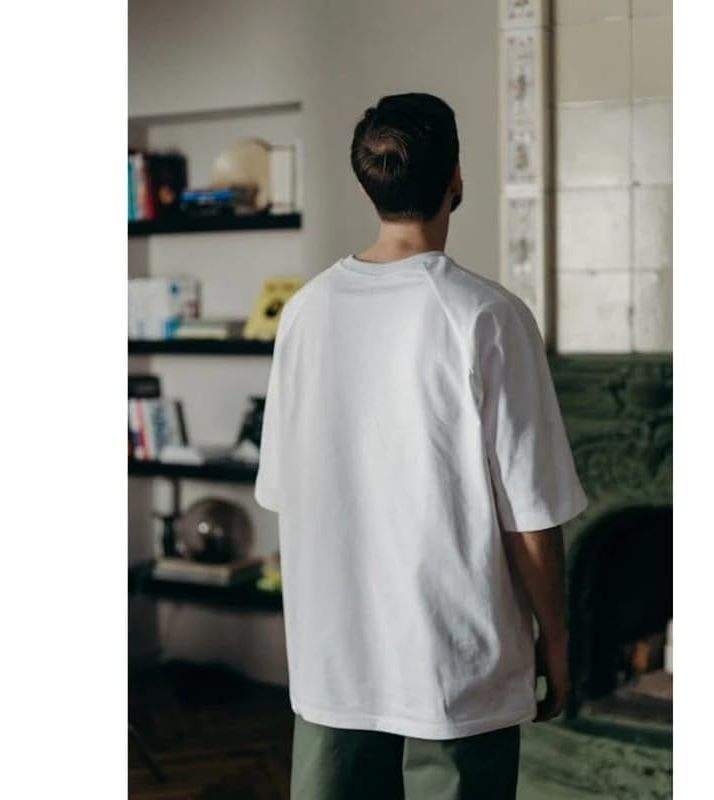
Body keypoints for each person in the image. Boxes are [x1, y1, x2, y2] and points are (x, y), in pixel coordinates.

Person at [256, 92, 587, 799]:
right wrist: (556, 640)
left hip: (334, 666)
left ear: (368, 183)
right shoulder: (488, 316)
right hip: (458, 670)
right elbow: (530, 515)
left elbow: (286, 492)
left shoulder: (304, 314)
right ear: (455, 178)